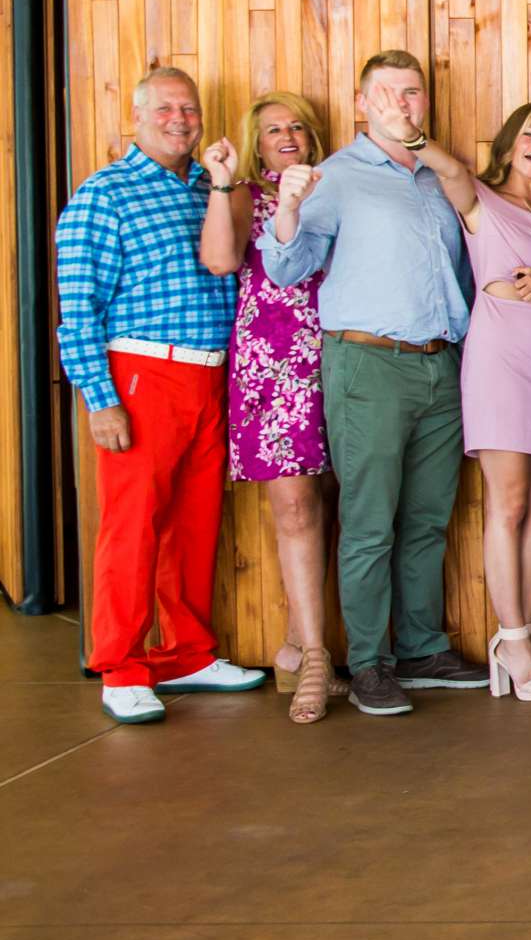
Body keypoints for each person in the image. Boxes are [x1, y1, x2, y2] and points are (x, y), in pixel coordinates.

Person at [265, 51, 488, 716]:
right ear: (363, 104)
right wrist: (285, 209)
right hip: (368, 363)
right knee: (368, 522)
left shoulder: (437, 177)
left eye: (413, 92)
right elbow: (288, 267)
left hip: (441, 360)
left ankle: (421, 648)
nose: (402, 104)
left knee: (426, 518)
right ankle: (368, 662)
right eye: (387, 93)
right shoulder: (335, 176)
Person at [56, 66, 264, 724]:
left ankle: (187, 654)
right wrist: (100, 397)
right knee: (133, 527)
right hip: (143, 373)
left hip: (210, 375)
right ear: (138, 116)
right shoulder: (104, 195)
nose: (181, 118)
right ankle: (121, 664)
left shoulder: (207, 186)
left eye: (190, 109)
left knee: (194, 525)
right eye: (167, 108)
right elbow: (77, 308)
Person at [418, 100, 531, 704]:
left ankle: (518, 634)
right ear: (510, 144)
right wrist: (415, 138)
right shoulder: (483, 200)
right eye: (529, 135)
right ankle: (514, 640)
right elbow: (452, 174)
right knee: (506, 502)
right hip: (500, 361)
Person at [198, 91, 335, 723]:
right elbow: (222, 261)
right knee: (295, 505)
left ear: (312, 137)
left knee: (338, 505)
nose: (286, 136)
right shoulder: (242, 195)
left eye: (297, 128)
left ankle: (294, 644)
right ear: (256, 142)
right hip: (274, 361)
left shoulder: (336, 185)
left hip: (341, 354)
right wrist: (222, 182)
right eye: (273, 129)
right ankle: (313, 656)